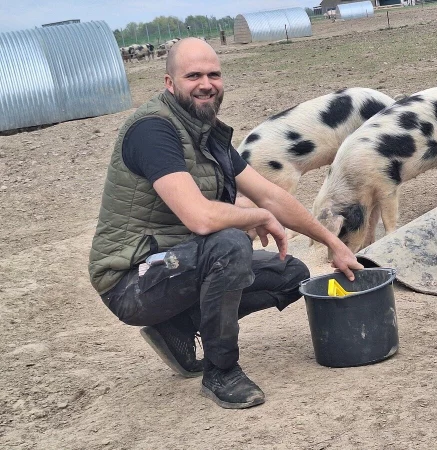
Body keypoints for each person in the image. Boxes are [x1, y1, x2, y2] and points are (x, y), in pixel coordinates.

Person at [88, 38, 363, 409]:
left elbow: (269, 195)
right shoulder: (154, 131)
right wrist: (257, 216)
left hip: (176, 263)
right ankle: (221, 371)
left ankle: (179, 328)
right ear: (170, 83)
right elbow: (200, 217)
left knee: (291, 273)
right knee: (230, 243)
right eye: (194, 75)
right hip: (131, 279)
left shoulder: (205, 132)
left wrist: (334, 244)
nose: (206, 83)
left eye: (213, 74)